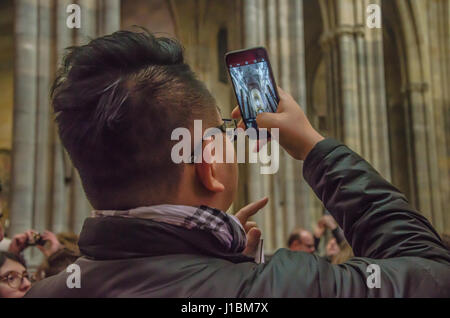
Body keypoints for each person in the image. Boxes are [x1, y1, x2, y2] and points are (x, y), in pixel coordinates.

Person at [26, 30, 450, 297]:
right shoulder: (290, 287)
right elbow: (430, 269)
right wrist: (312, 147)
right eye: (223, 134)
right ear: (209, 166)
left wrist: (224, 264)